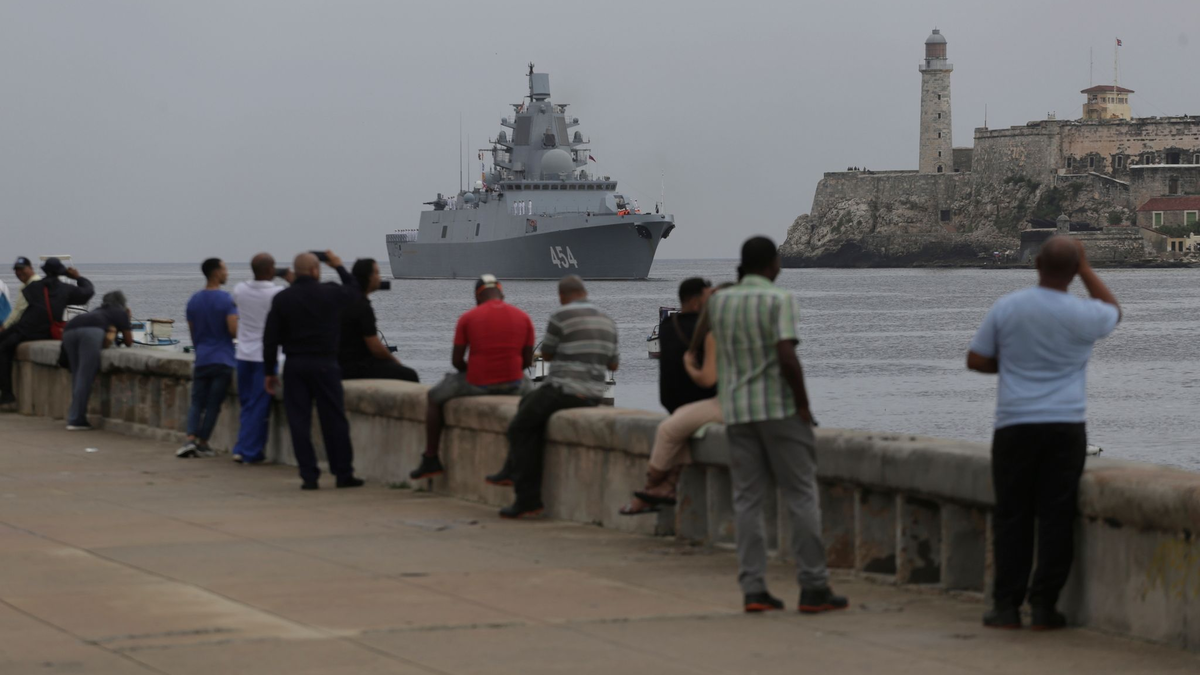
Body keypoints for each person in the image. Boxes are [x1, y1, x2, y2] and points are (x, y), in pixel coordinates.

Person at [968, 236, 1120, 631]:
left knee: (1012, 515)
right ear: (1073, 271)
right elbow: (1113, 311)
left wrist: (1016, 370)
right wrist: (1085, 268)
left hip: (1015, 424)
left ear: (1036, 264)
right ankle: (1043, 607)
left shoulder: (1008, 307)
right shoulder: (1083, 313)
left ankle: (1005, 607)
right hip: (1065, 426)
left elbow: (976, 359)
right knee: (1056, 516)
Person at [708, 236, 847, 615]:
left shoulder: (719, 301)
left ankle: (754, 589)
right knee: (801, 496)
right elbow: (786, 356)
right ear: (771, 264)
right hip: (778, 410)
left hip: (737, 412)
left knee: (747, 502)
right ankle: (814, 586)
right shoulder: (779, 299)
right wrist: (803, 404)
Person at [487, 275, 619, 519]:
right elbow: (613, 363)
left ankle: (527, 498)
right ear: (584, 293)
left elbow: (546, 354)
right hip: (593, 394)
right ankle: (508, 470)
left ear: (562, 297)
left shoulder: (561, 316)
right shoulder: (607, 320)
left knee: (518, 427)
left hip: (565, 390)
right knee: (528, 404)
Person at [409, 274, 535, 480]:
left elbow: (457, 361)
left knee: (434, 396)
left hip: (478, 383)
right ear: (502, 293)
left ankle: (431, 457)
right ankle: (516, 462)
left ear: (477, 297)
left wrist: (475, 370)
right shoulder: (524, 317)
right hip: (514, 383)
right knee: (533, 398)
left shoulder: (468, 318)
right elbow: (527, 362)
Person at [263, 251, 365, 490]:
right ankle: (343, 473)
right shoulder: (330, 293)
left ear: (295, 272)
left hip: (295, 365)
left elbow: (270, 339)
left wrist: (269, 371)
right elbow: (354, 291)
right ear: (316, 270)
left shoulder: (283, 299)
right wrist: (339, 266)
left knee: (299, 422)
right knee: (334, 420)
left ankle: (309, 476)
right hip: (325, 364)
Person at [621, 278, 718, 515]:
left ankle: (651, 488)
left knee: (671, 431)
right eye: (708, 296)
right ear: (697, 300)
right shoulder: (707, 329)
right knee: (673, 432)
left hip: (677, 401)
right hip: (705, 399)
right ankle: (662, 488)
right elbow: (708, 379)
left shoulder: (667, 328)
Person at [0, 257, 93, 410]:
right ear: (62, 272)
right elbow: (88, 292)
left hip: (24, 328)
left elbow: (25, 303)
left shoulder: (34, 287)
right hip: (42, 331)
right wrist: (77, 277)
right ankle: (7, 396)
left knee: (4, 347)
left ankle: (8, 395)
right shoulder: (64, 289)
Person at [230, 254, 292, 464]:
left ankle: (241, 446)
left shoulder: (239, 289)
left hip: (243, 354)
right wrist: (290, 278)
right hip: (266, 356)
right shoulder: (277, 293)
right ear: (271, 270)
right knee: (258, 404)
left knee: (247, 403)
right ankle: (250, 451)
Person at [177, 258, 238, 458]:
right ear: (216, 273)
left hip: (202, 357)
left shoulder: (194, 300)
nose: (227, 273)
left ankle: (190, 439)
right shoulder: (227, 300)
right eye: (225, 269)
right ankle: (203, 443)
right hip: (223, 359)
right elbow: (233, 330)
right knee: (213, 404)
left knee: (196, 401)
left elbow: (193, 332)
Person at [61, 291, 134, 430]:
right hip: (91, 332)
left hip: (70, 329)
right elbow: (129, 342)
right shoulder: (120, 312)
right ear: (122, 303)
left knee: (77, 375)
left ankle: (75, 416)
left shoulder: (98, 310)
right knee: (85, 376)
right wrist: (127, 319)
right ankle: (76, 420)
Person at [339, 258, 419, 382]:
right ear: (369, 277)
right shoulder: (362, 306)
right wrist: (395, 361)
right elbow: (375, 346)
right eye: (376, 273)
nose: (379, 277)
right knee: (410, 375)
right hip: (356, 367)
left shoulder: (347, 300)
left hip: (341, 363)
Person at [2, 257, 40, 331]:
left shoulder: (35, 284)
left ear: (30, 268)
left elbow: (19, 311)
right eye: (16, 270)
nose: (19, 272)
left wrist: (3, 328)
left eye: (22, 269)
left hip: (31, 328)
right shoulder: (24, 286)